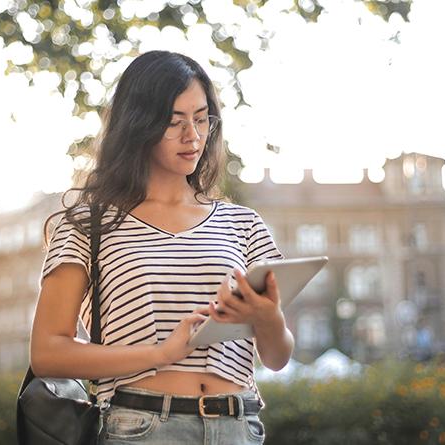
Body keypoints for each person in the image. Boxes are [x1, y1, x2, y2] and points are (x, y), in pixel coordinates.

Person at [30, 50, 293, 444]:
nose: (193, 136)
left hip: (238, 425)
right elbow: (47, 352)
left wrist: (268, 318)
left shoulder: (243, 223)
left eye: (201, 118)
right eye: (174, 122)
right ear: (139, 125)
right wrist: (159, 353)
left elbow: (276, 357)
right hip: (141, 427)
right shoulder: (89, 224)